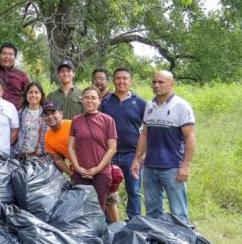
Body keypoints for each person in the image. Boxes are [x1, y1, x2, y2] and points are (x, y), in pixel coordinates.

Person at [131, 70, 196, 223]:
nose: (156, 85)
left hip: (172, 167)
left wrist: (185, 165)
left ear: (172, 84)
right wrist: (136, 160)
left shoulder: (181, 106)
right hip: (150, 167)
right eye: (154, 82)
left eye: (161, 82)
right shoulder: (149, 105)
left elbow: (190, 137)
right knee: (152, 211)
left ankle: (182, 243)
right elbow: (144, 134)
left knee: (178, 211)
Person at [100, 67, 148, 219]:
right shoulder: (105, 102)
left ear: (130, 81)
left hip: (132, 155)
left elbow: (147, 131)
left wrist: (143, 154)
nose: (121, 81)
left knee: (133, 190)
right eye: (118, 78)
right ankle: (109, 221)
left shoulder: (140, 103)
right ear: (113, 81)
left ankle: (134, 221)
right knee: (107, 189)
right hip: (109, 154)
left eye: (124, 78)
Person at [68, 86, 117, 216]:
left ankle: (97, 235)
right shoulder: (76, 120)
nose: (90, 101)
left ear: (99, 101)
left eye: (93, 98)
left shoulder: (107, 120)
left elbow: (112, 148)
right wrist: (77, 168)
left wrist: (98, 168)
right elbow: (71, 147)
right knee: (79, 209)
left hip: (101, 172)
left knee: (97, 209)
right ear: (82, 100)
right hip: (80, 172)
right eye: (87, 98)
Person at [12, 82, 48, 159]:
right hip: (22, 155)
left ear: (41, 95)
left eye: (36, 92)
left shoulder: (47, 114)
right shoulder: (20, 113)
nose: (33, 95)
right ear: (26, 95)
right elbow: (14, 133)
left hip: (41, 156)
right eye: (30, 92)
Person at [42, 102, 73, 175]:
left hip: (95, 163)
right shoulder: (48, 137)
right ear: (43, 118)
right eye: (47, 114)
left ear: (61, 114)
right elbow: (57, 159)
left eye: (53, 112)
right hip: (77, 169)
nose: (50, 116)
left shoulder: (72, 125)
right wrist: (71, 174)